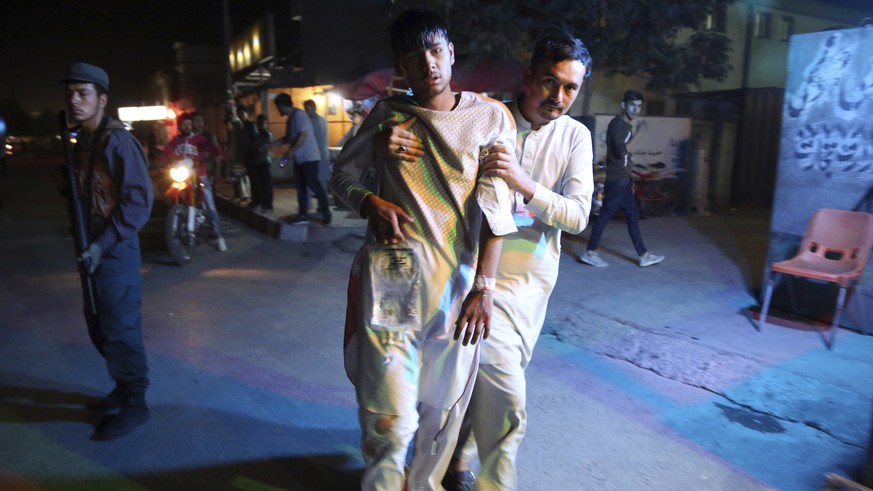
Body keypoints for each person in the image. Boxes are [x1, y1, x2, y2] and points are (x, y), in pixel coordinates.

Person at [382, 34, 595, 491]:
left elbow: (578, 216)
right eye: (549, 82)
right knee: (485, 390)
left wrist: (523, 182)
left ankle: (453, 464)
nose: (558, 98)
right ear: (528, 77)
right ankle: (454, 478)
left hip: (527, 286)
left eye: (570, 89)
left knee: (478, 385)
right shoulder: (484, 116)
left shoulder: (575, 136)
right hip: (465, 272)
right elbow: (424, 121)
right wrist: (387, 132)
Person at [329, 8, 518, 490]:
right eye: (414, 57)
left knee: (441, 410)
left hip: (457, 280)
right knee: (389, 420)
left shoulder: (490, 117)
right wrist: (370, 200)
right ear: (401, 66)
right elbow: (341, 178)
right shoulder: (387, 116)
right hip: (393, 275)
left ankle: (423, 483)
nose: (428, 64)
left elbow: (497, 208)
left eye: (435, 51)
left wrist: (485, 286)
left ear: (452, 53)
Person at [62, 62, 154, 440]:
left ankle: (135, 403)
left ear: (102, 99)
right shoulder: (84, 141)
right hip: (93, 246)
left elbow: (138, 203)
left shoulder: (116, 141)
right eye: (70, 93)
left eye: (82, 93)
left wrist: (101, 245)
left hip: (113, 247)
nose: (74, 99)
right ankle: (121, 387)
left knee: (120, 327)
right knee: (99, 324)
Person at [579, 90, 664, 268]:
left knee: (632, 214)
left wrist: (630, 179)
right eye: (632, 105)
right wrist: (640, 134)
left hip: (623, 179)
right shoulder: (618, 125)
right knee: (606, 214)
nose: (636, 109)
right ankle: (590, 252)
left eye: (639, 106)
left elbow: (624, 156)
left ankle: (644, 255)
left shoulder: (624, 126)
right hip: (617, 178)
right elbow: (621, 152)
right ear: (623, 105)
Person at [161, 112, 228, 252]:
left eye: (189, 124)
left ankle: (219, 237)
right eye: (184, 124)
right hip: (182, 176)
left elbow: (212, 148)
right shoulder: (175, 141)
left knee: (210, 205)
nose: (187, 126)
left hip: (199, 175)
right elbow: (165, 152)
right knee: (170, 195)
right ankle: (177, 225)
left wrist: (215, 153)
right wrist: (159, 161)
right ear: (179, 126)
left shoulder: (199, 139)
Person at [274, 93, 331, 225]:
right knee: (300, 187)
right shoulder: (290, 119)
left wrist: (290, 152)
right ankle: (303, 215)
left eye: (278, 107)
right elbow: (288, 138)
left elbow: (303, 136)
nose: (278, 110)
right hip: (299, 159)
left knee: (313, 184)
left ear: (282, 105)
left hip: (309, 157)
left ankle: (326, 212)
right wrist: (271, 145)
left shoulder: (299, 115)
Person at [303, 99, 331, 191]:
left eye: (308, 108)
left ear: (314, 108)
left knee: (317, 181)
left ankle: (320, 204)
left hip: (317, 155)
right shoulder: (321, 119)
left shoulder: (315, 121)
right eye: (305, 109)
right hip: (319, 154)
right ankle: (321, 203)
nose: (306, 111)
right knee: (318, 181)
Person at [250, 114, 274, 212]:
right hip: (257, 161)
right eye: (260, 123)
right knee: (258, 183)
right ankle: (260, 202)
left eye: (263, 122)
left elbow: (263, 148)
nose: (262, 125)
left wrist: (257, 148)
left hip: (265, 161)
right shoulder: (257, 135)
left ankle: (268, 204)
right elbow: (254, 147)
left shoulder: (267, 135)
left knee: (266, 184)